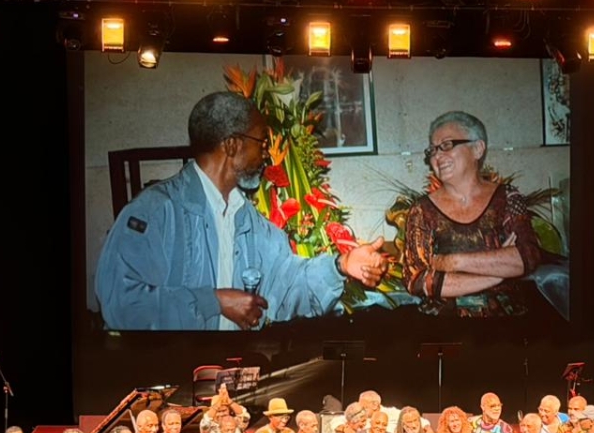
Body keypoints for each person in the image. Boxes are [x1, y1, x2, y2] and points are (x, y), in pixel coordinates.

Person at [94, 90, 387, 330]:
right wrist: (214, 302)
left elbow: (286, 285)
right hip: (169, 376)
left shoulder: (247, 219)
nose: (267, 154)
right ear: (232, 145)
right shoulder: (155, 212)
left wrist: (341, 264)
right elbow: (120, 304)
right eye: (261, 142)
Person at [402, 110, 543, 317]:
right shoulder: (421, 210)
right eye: (432, 150)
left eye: (447, 145)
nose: (438, 156)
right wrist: (496, 274)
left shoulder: (507, 197)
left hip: (507, 322)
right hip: (444, 324)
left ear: (478, 149)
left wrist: (453, 262)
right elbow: (417, 279)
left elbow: (527, 257)